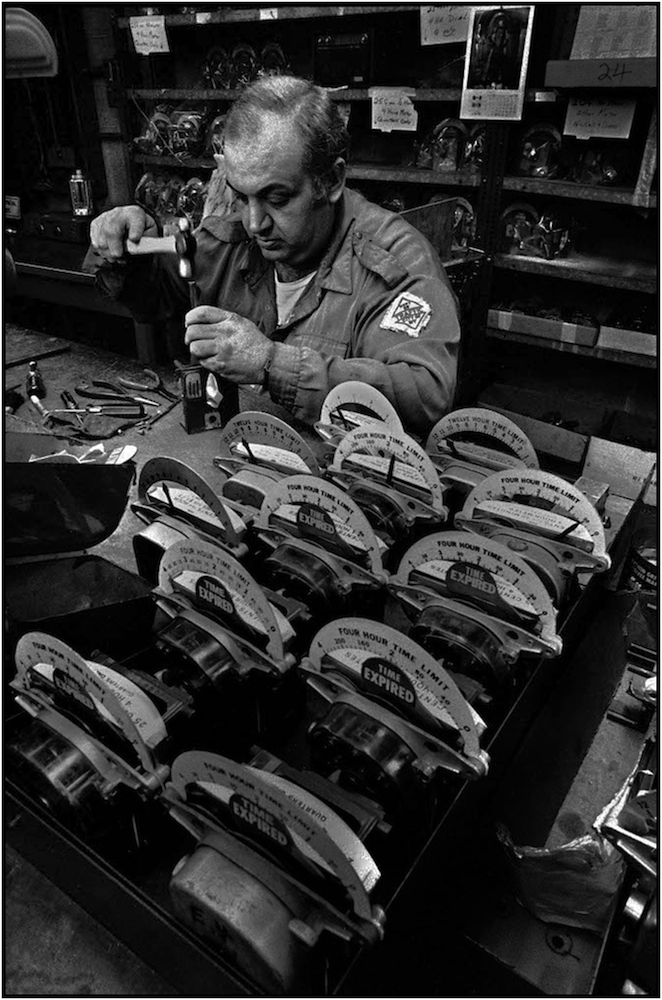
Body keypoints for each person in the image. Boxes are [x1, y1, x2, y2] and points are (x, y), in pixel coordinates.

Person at [90, 75, 460, 436]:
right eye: (241, 196)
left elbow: (425, 395)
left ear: (330, 181)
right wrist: (127, 247)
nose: (254, 223)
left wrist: (271, 363)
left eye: (277, 199)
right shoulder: (231, 240)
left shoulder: (395, 264)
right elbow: (158, 292)